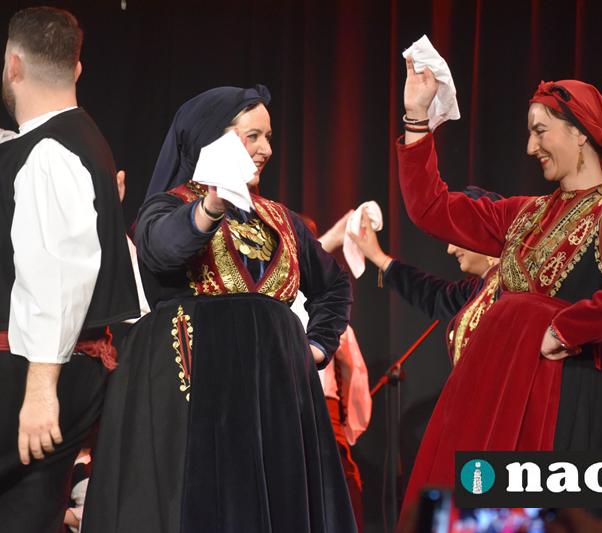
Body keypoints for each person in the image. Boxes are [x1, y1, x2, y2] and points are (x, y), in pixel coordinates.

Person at [397, 56, 602, 515]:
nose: (530, 146)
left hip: (556, 391)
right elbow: (431, 209)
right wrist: (416, 116)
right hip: (498, 385)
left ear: (580, 131)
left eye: (540, 131)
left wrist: (566, 328)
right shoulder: (524, 213)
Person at [82, 86, 356, 532]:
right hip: (196, 396)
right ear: (213, 140)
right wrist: (210, 206)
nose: (266, 149)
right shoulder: (168, 206)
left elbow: (335, 286)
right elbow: (162, 252)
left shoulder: (281, 219)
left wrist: (315, 348)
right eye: (253, 136)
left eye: (268, 137)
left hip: (274, 402)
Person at [0, 8, 138, 532]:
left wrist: (41, 389)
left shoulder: (50, 152)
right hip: (63, 371)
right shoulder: (74, 142)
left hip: (32, 374)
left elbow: (58, 277)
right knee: (26, 512)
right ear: (77, 69)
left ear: (13, 66)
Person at [347, 186, 502, 364]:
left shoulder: (516, 288)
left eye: (457, 238)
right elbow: (434, 294)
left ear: (484, 232)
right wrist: (378, 257)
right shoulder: (477, 289)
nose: (450, 249)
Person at [292, 213, 372, 532]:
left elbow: (353, 373)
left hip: (321, 410)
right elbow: (355, 375)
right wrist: (350, 426)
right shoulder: (275, 299)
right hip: (301, 408)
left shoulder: (326, 314)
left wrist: (346, 426)